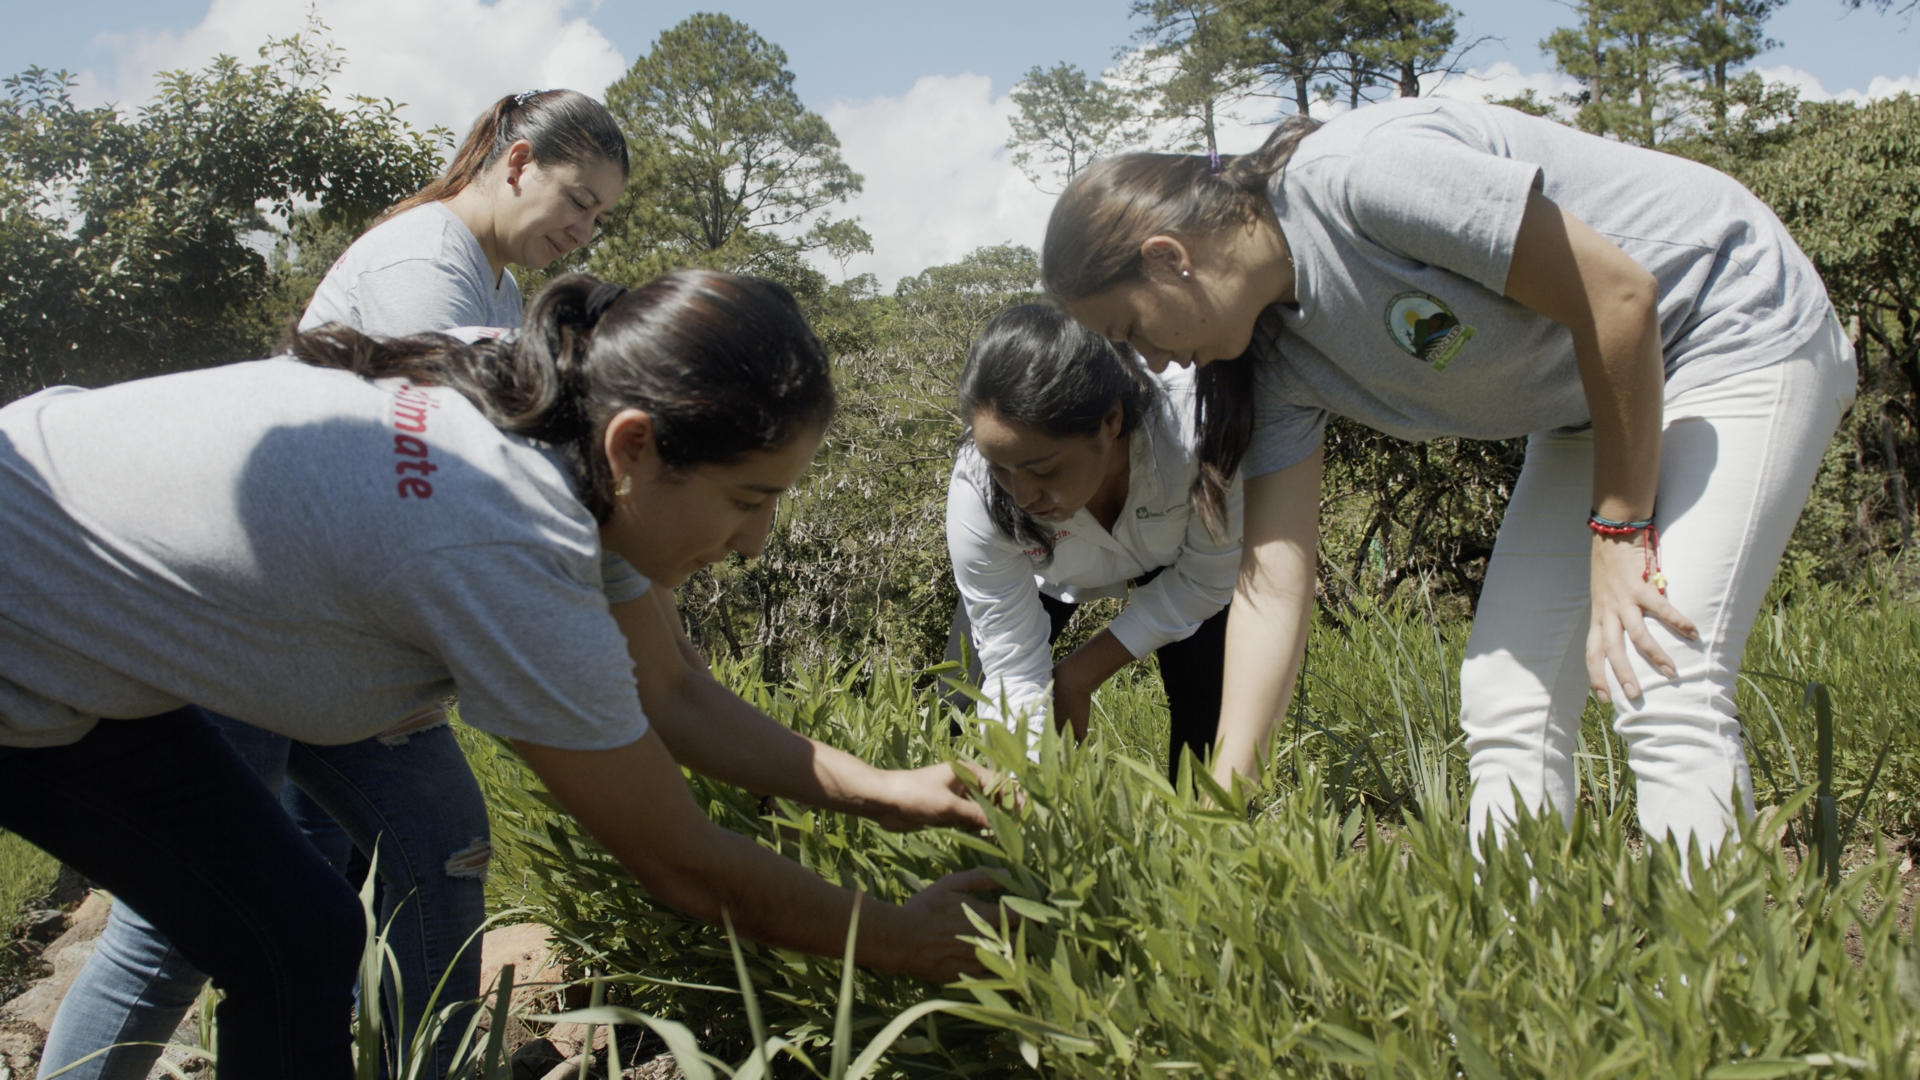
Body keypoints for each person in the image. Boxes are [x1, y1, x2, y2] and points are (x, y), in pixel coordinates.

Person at [0, 270, 1000, 1080]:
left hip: (60, 591)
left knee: (294, 936)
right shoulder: (499, 542)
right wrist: (908, 941)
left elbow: (673, 693)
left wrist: (883, 789)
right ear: (636, 448)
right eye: (747, 499)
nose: (754, 544)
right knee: (288, 937)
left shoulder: (546, 400)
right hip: (21, 625)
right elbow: (679, 860)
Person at [1041, 97, 1856, 859]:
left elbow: (1621, 296)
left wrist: (1619, 530)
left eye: (1130, 328)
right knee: (1507, 701)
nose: (1145, 362)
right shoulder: (1273, 353)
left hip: (1725, 325)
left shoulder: (1361, 177)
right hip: (1586, 404)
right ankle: (1527, 980)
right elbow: (1273, 587)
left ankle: (1727, 992)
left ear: (1167, 257)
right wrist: (1225, 805)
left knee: (1659, 675)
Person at [36, 88, 632, 1080]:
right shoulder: (423, 265)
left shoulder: (486, 280)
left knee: (429, 850)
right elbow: (446, 468)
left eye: (602, 217)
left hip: (336, 636)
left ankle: (417, 1063)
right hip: (258, 619)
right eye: (578, 198)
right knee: (184, 925)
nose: (584, 227)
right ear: (518, 161)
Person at [944, 304, 1241, 781]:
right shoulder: (977, 491)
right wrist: (1031, 794)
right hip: (1045, 573)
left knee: (1208, 704)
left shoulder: (1195, 430)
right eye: (1002, 469)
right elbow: (1013, 664)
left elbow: (1209, 581)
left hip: (1175, 566)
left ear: (1110, 421)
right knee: (963, 713)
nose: (1021, 496)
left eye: (1043, 470)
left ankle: (1204, 839)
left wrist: (1081, 674)